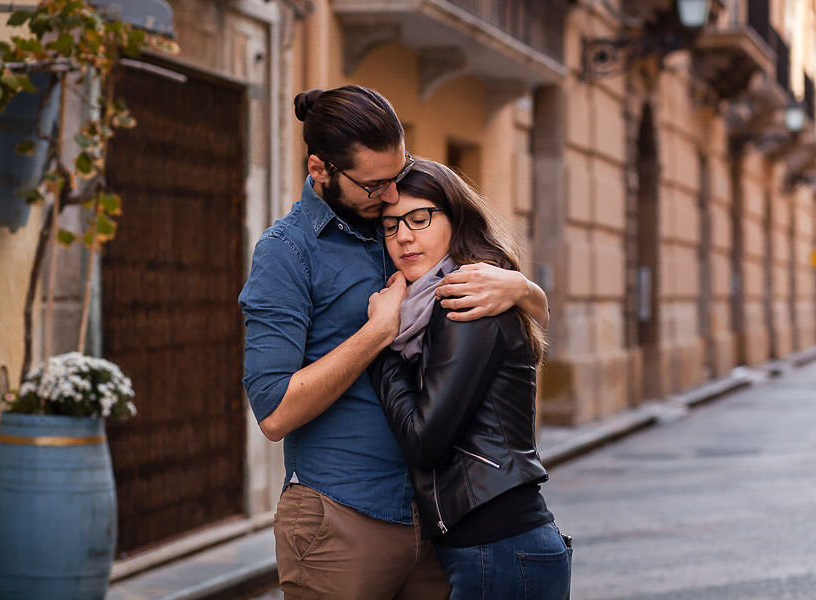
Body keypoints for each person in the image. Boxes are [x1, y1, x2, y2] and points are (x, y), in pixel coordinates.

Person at [238, 85, 551, 600]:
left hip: (437, 523)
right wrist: (376, 333)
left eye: (398, 174)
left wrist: (525, 290)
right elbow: (274, 413)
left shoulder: (406, 214)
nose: (391, 197)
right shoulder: (287, 253)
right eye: (375, 185)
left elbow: (501, 326)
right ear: (320, 170)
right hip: (343, 519)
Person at [370, 160, 572, 600]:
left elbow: (424, 441)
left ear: (455, 217)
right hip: (491, 549)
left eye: (419, 218)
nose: (403, 236)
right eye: (389, 226)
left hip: (499, 547)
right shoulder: (437, 304)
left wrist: (379, 347)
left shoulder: (466, 305)